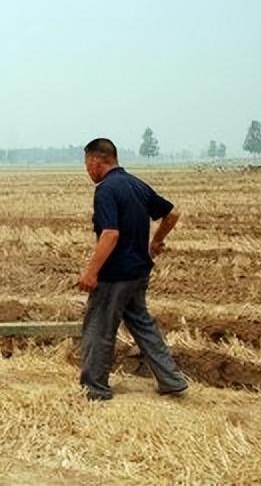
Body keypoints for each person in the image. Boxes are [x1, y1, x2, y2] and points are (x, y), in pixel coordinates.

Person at [78, 138, 187, 401]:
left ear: (96, 160)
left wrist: (91, 273)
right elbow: (171, 214)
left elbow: (110, 234)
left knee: (99, 327)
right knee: (142, 325)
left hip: (115, 275)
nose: (87, 170)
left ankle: (95, 389)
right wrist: (157, 240)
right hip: (139, 271)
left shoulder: (106, 190)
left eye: (86, 164)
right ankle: (171, 379)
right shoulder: (135, 184)